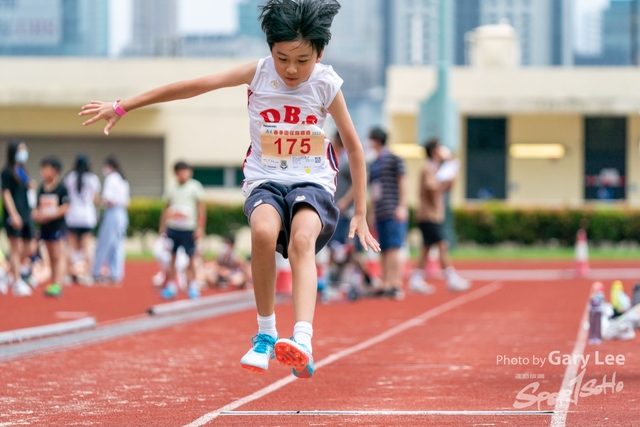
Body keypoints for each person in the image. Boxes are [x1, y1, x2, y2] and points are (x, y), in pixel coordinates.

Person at [79, 0, 379, 379]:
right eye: (282, 57)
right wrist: (123, 107)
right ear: (270, 48)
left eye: (302, 60)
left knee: (302, 241)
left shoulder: (326, 84)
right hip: (265, 178)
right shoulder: (257, 73)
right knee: (263, 231)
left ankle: (302, 338)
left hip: (312, 179)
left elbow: (353, 147)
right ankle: (266, 335)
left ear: (319, 53)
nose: (290, 69)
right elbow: (191, 87)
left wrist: (362, 214)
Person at [411, 138, 470, 292]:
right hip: (428, 215)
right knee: (442, 245)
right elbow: (433, 189)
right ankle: (451, 278)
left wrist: (451, 169)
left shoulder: (436, 168)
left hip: (433, 215)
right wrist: (447, 173)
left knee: (426, 247)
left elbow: (447, 187)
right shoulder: (427, 168)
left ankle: (416, 279)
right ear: (434, 151)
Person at [368, 127, 408, 300]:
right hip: (380, 211)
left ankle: (395, 282)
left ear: (377, 140)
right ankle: (386, 281)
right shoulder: (374, 164)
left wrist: (402, 206)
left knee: (393, 247)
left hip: (393, 209)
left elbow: (402, 182)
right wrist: (370, 213)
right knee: (384, 248)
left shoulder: (394, 159)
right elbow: (373, 191)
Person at [158, 161, 206, 300]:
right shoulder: (171, 188)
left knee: (191, 258)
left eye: (186, 171)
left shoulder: (195, 187)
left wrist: (200, 227)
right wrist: (163, 226)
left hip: (189, 228)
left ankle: (193, 286)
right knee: (171, 257)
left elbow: (201, 207)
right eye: (181, 171)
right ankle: (171, 285)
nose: (184, 174)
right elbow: (166, 207)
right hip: (173, 227)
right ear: (176, 173)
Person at [1, 139, 36, 296]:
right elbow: (6, 194)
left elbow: (28, 187)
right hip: (14, 214)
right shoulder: (7, 172)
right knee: (15, 248)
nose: (25, 152)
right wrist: (13, 214)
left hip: (26, 212)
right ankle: (16, 281)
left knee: (30, 246)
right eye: (22, 149)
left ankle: (6, 272)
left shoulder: (22, 171)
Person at [32, 156, 69, 297]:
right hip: (45, 227)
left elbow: (65, 206)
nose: (43, 172)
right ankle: (53, 282)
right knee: (49, 256)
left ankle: (58, 284)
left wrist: (50, 215)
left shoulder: (61, 188)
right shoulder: (42, 188)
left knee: (57, 256)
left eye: (46, 169)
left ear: (55, 171)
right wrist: (37, 214)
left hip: (57, 226)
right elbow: (37, 206)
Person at [64, 154, 101, 285]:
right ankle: (88, 275)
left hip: (72, 216)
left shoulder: (69, 178)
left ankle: (67, 274)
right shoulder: (93, 179)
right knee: (88, 247)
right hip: (87, 216)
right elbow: (95, 198)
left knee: (70, 246)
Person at [92, 156, 130, 284]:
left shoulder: (111, 179)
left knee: (104, 243)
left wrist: (98, 200)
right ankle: (116, 273)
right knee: (117, 245)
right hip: (122, 214)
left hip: (113, 213)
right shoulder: (123, 180)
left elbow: (109, 199)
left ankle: (96, 271)